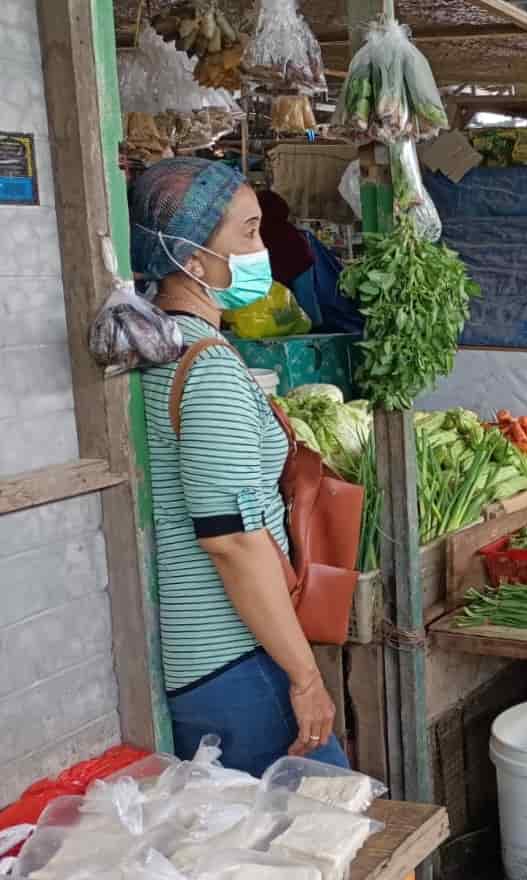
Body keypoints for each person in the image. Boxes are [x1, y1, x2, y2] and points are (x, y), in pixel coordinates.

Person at [129, 158, 348, 777]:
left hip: (205, 660)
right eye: (248, 233)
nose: (262, 249)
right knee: (326, 836)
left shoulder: (152, 349)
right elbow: (229, 539)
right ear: (193, 260)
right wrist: (304, 678)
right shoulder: (209, 368)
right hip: (239, 660)